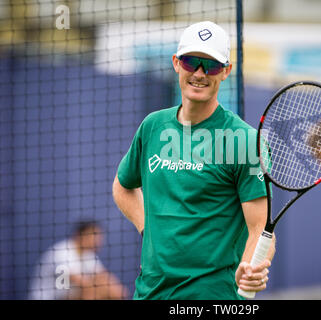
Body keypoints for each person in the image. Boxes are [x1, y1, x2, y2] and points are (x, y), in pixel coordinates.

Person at [112, 21, 275, 300]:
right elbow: (122, 187)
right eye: (191, 62)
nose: (199, 73)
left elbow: (260, 228)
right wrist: (148, 229)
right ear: (177, 63)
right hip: (149, 292)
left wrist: (250, 270)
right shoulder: (153, 126)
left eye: (210, 66)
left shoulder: (246, 141)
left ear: (225, 72)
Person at [29, 220, 128, 300]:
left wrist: (116, 290)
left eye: (98, 236)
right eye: (93, 235)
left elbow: (104, 277)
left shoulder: (89, 255)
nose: (97, 240)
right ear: (80, 235)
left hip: (70, 296)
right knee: (92, 292)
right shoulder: (61, 252)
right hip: (52, 297)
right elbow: (82, 283)